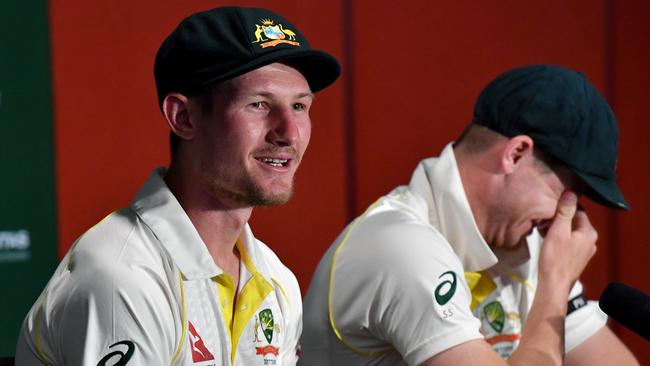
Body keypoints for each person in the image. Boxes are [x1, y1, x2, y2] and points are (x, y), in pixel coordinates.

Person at [15, 6, 339, 366]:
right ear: (183, 117)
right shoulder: (123, 276)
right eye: (259, 104)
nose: (289, 133)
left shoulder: (276, 281)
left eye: (299, 106)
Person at [300, 65, 639, 366]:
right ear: (517, 154)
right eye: (568, 192)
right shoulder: (401, 246)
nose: (564, 217)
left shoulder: (525, 243)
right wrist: (555, 285)